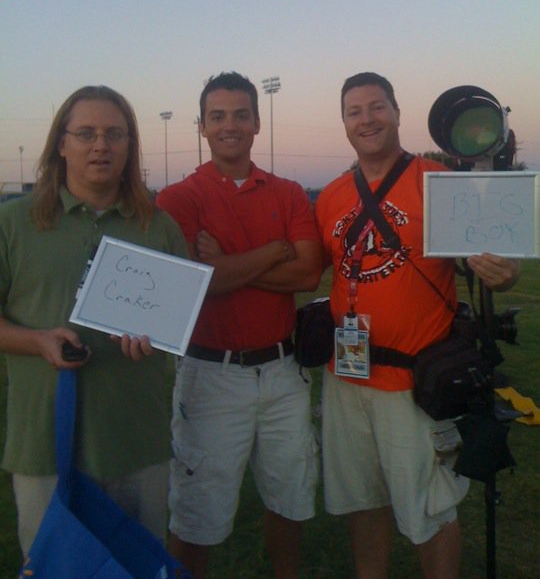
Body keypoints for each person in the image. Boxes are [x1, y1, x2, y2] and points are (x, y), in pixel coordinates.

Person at [315, 72, 520, 579]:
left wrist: (506, 272)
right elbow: (311, 267)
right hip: (347, 377)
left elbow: (492, 254)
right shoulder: (332, 195)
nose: (367, 119)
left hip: (415, 383)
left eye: (377, 106)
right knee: (363, 503)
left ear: (397, 112)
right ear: (343, 122)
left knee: (430, 511)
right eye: (354, 111)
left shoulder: (437, 182)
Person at [0, 85, 188, 557]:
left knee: (138, 564)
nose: (100, 145)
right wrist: (36, 341)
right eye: (86, 133)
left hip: (137, 444)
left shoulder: (159, 227)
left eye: (114, 134)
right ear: (61, 144)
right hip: (45, 446)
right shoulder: (14, 223)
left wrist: (158, 338)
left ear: (130, 146)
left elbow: (178, 322)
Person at [156, 71, 322, 579]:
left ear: (256, 123)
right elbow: (195, 284)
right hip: (211, 373)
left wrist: (226, 265)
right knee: (196, 513)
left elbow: (308, 273)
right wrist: (273, 252)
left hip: (282, 370)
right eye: (218, 116)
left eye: (240, 115)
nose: (230, 125)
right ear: (202, 126)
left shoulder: (288, 192)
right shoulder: (178, 198)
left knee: (289, 499)